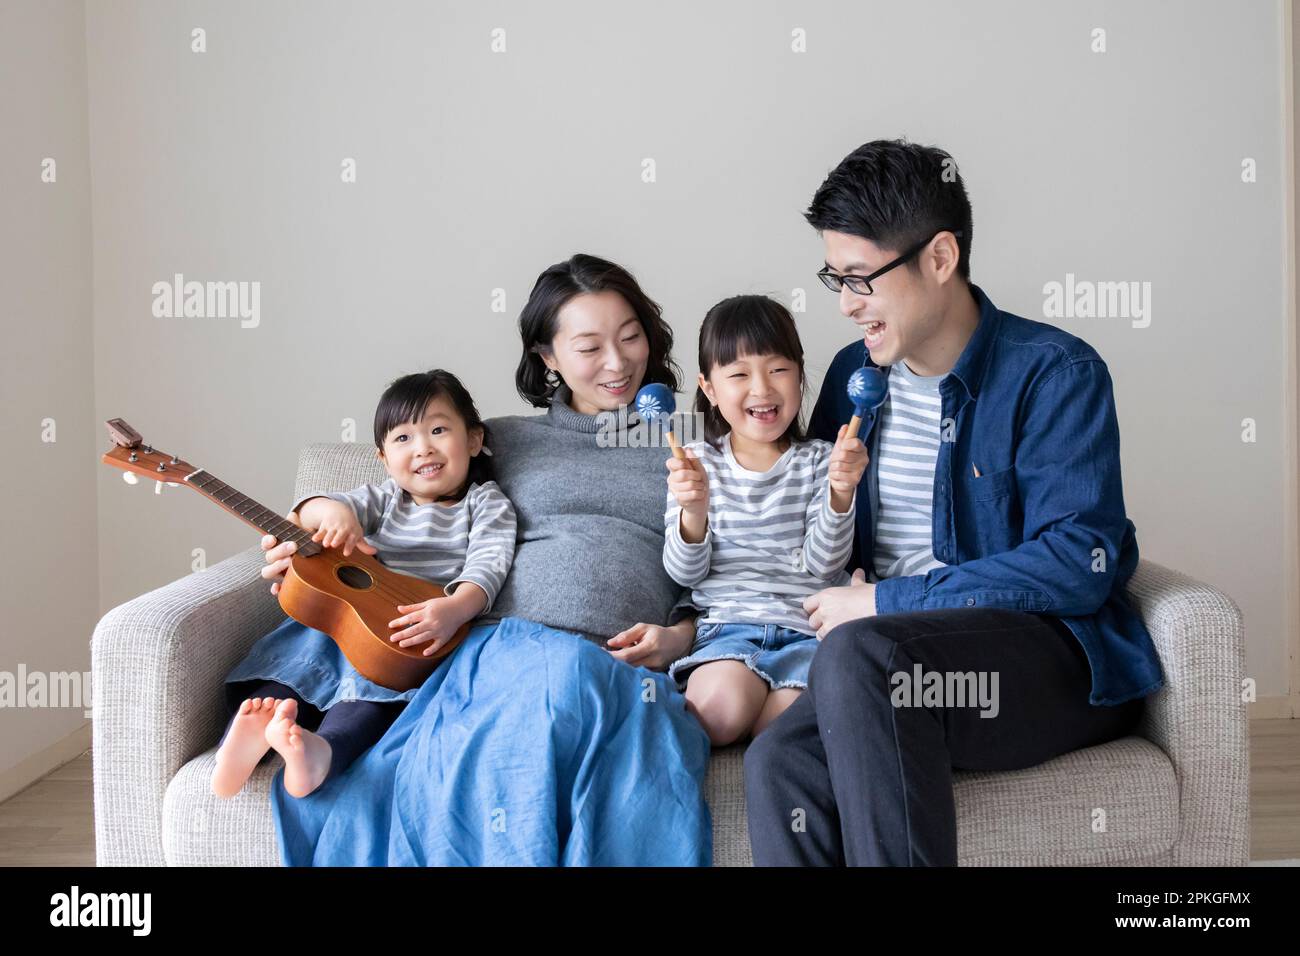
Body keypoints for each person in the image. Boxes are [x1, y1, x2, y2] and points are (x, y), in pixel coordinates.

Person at [745, 139, 1163, 866]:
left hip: (1042, 663)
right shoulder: (854, 377)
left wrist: (888, 603)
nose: (845, 305)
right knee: (779, 760)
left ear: (939, 258)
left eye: (860, 278)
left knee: (861, 656)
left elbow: (1078, 564)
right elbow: (810, 523)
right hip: (898, 669)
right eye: (833, 278)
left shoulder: (1054, 372)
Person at [257, 254, 713, 865]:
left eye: (631, 336)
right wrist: (305, 531)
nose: (618, 361)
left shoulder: (696, 436)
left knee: (598, 713)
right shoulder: (496, 439)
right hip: (498, 652)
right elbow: (399, 503)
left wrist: (680, 636)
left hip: (621, 663)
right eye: (589, 346)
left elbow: (737, 560)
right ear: (548, 357)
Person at [213, 369, 516, 799]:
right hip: (345, 628)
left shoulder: (486, 503)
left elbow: (490, 564)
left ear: (472, 439)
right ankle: (244, 742)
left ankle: (319, 755)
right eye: (403, 438)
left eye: (438, 429)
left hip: (408, 637)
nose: (423, 447)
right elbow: (309, 512)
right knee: (286, 675)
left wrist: (456, 609)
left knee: (367, 706)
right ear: (384, 459)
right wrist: (331, 512)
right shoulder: (384, 498)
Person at [662, 295, 867, 744]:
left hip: (805, 634)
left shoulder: (820, 461)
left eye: (778, 370)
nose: (761, 389)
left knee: (789, 732)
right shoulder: (695, 462)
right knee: (718, 712)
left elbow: (823, 565)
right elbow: (685, 572)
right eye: (738, 374)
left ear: (799, 374)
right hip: (727, 629)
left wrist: (840, 492)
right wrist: (693, 512)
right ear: (710, 388)